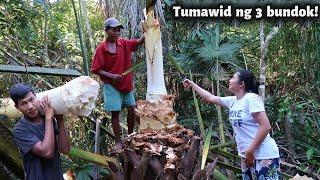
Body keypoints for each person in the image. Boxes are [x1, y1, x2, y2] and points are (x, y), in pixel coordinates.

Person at [183, 70, 280, 180]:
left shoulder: (251, 99)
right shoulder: (233, 101)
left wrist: (250, 150)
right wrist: (192, 84)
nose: (229, 81)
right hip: (246, 155)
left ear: (241, 84)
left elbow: (265, 126)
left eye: (233, 78)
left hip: (264, 154)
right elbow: (210, 97)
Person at [91, 17, 145, 151]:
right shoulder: (101, 49)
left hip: (126, 85)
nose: (117, 32)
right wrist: (111, 76)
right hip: (111, 85)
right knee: (116, 113)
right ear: (107, 30)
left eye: (118, 30)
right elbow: (95, 69)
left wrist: (148, 31)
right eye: (114, 30)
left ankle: (130, 135)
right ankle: (118, 141)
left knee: (132, 109)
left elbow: (137, 43)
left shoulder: (123, 44)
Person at [10, 83, 70, 180]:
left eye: (31, 99)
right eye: (23, 103)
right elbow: (47, 152)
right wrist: (49, 118)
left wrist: (60, 120)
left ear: (36, 97)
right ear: (17, 107)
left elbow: (65, 149)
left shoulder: (47, 119)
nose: (30, 106)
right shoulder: (20, 130)